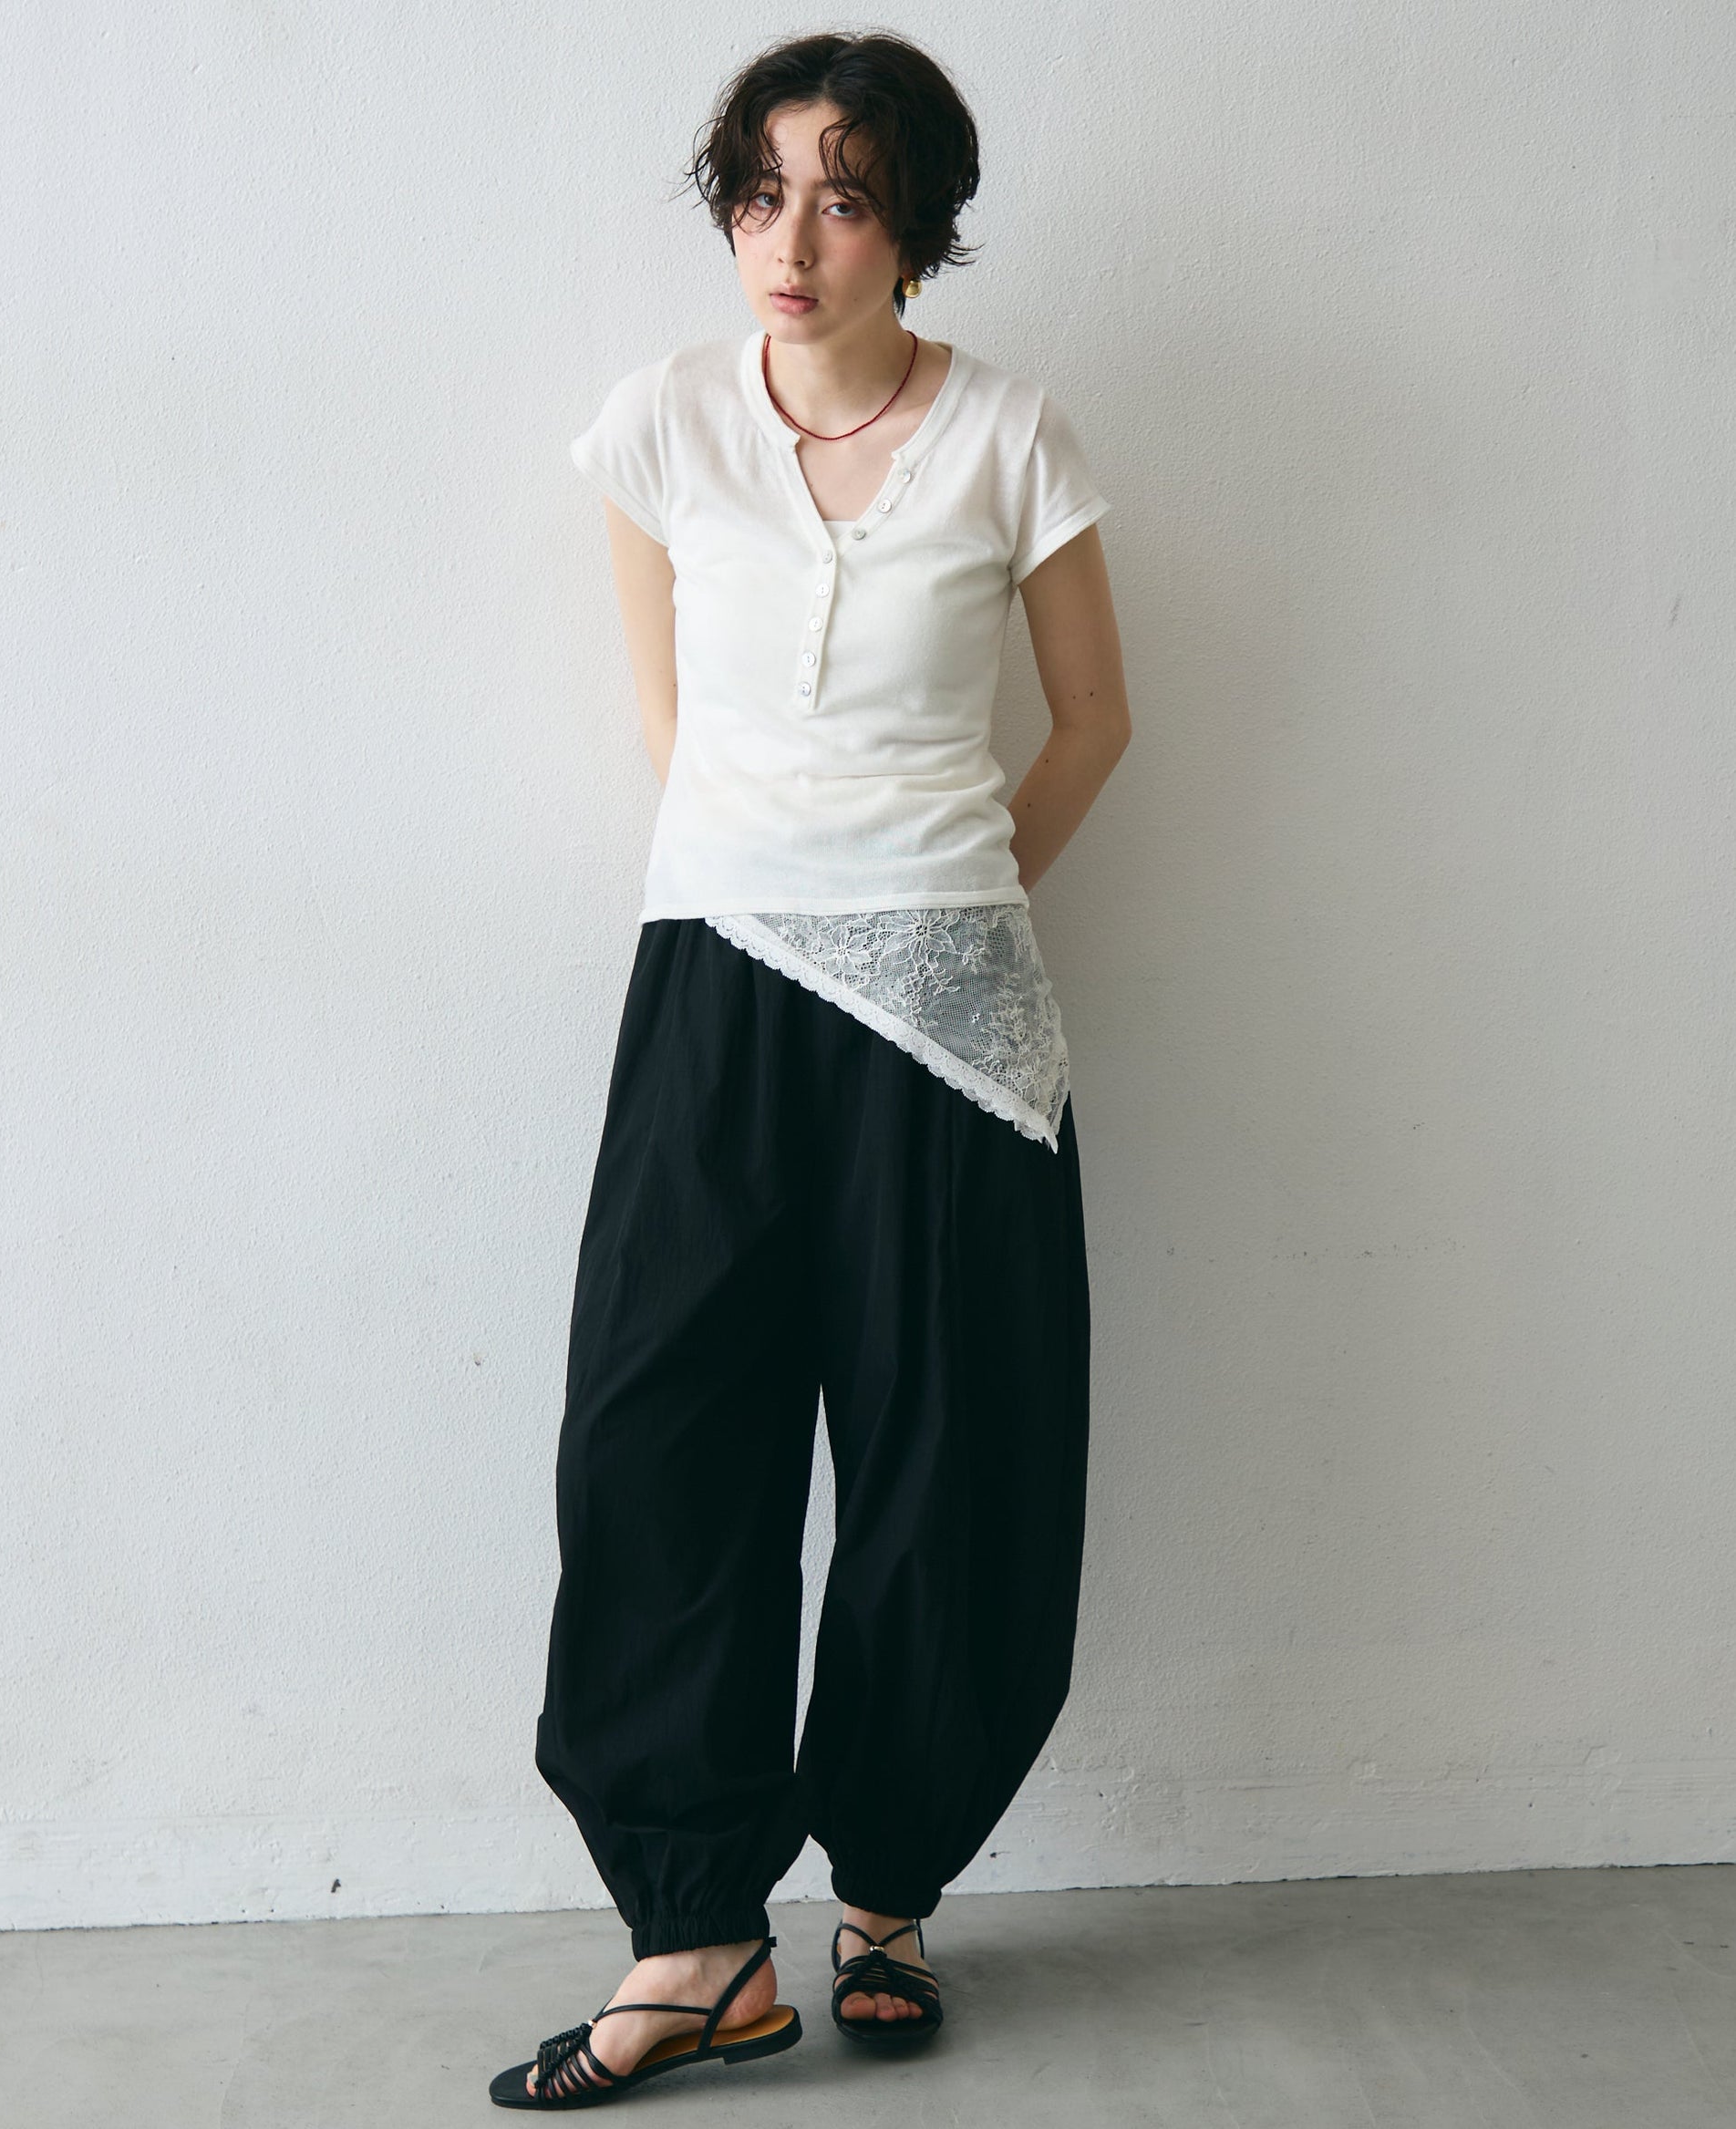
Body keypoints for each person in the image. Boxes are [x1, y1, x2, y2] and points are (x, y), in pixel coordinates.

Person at [491, 28, 1131, 2111]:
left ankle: (887, 1895)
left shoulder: (1014, 437)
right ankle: (696, 1939)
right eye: (760, 194)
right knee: (658, 1436)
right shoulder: (662, 422)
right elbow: (667, 722)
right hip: (717, 975)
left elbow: (1094, 723)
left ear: (915, 230)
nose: (790, 240)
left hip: (951, 1011)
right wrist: (776, 880)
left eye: (843, 199)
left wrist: (937, 896)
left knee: (953, 1457)